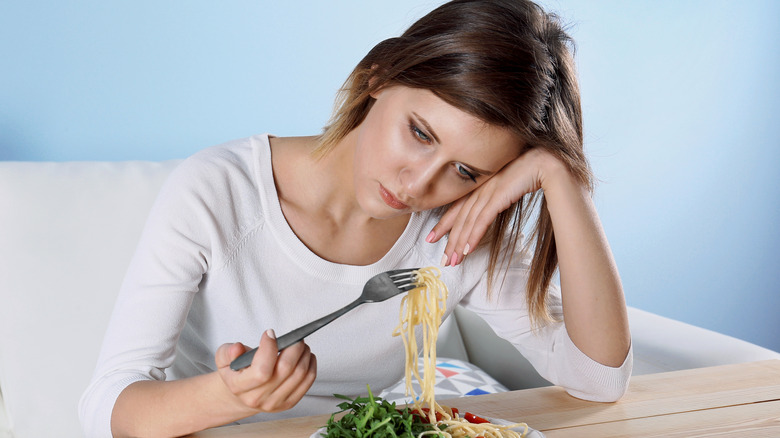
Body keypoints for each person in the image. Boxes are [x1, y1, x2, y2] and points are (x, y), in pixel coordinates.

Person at [79, 0, 632, 436]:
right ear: (379, 76)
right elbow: (107, 406)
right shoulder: (219, 191)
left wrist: (562, 176)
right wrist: (229, 396)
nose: (419, 185)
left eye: (465, 170)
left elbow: (599, 378)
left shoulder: (455, 231)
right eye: (420, 133)